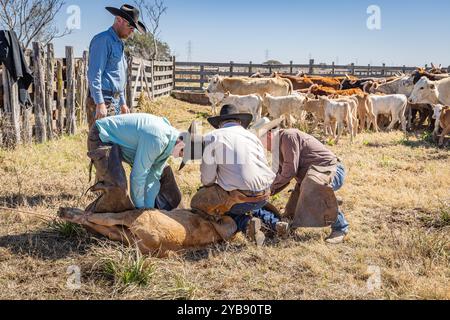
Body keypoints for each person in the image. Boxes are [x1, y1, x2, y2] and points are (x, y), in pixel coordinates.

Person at [183, 105, 289, 246]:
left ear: (220, 123)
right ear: (239, 122)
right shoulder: (252, 136)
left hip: (240, 198)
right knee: (250, 202)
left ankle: (244, 224)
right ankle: (275, 224)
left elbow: (207, 180)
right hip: (264, 195)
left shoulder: (212, 137)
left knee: (199, 203)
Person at [256, 118, 350, 244]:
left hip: (331, 171)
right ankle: (289, 225)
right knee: (292, 208)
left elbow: (290, 171)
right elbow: (280, 175)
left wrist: (269, 189)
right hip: (310, 179)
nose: (261, 145)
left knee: (314, 191)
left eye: (260, 141)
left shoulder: (288, 136)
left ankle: (340, 228)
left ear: (267, 135)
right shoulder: (279, 147)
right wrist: (268, 191)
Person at [86, 113, 186, 213]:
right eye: (183, 154)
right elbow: (138, 176)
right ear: (181, 144)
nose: (181, 157)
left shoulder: (167, 145)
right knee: (117, 187)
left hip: (117, 143)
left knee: (165, 172)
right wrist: (139, 208)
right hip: (101, 136)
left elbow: (152, 177)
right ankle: (88, 218)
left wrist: (148, 209)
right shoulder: (157, 139)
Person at [86, 4, 147, 128]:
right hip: (104, 100)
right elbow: (94, 74)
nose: (132, 31)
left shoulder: (119, 44)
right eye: (130, 26)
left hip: (115, 101)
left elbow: (118, 77)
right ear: (119, 20)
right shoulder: (103, 40)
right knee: (100, 143)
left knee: (113, 145)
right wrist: (99, 103)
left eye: (134, 28)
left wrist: (123, 103)